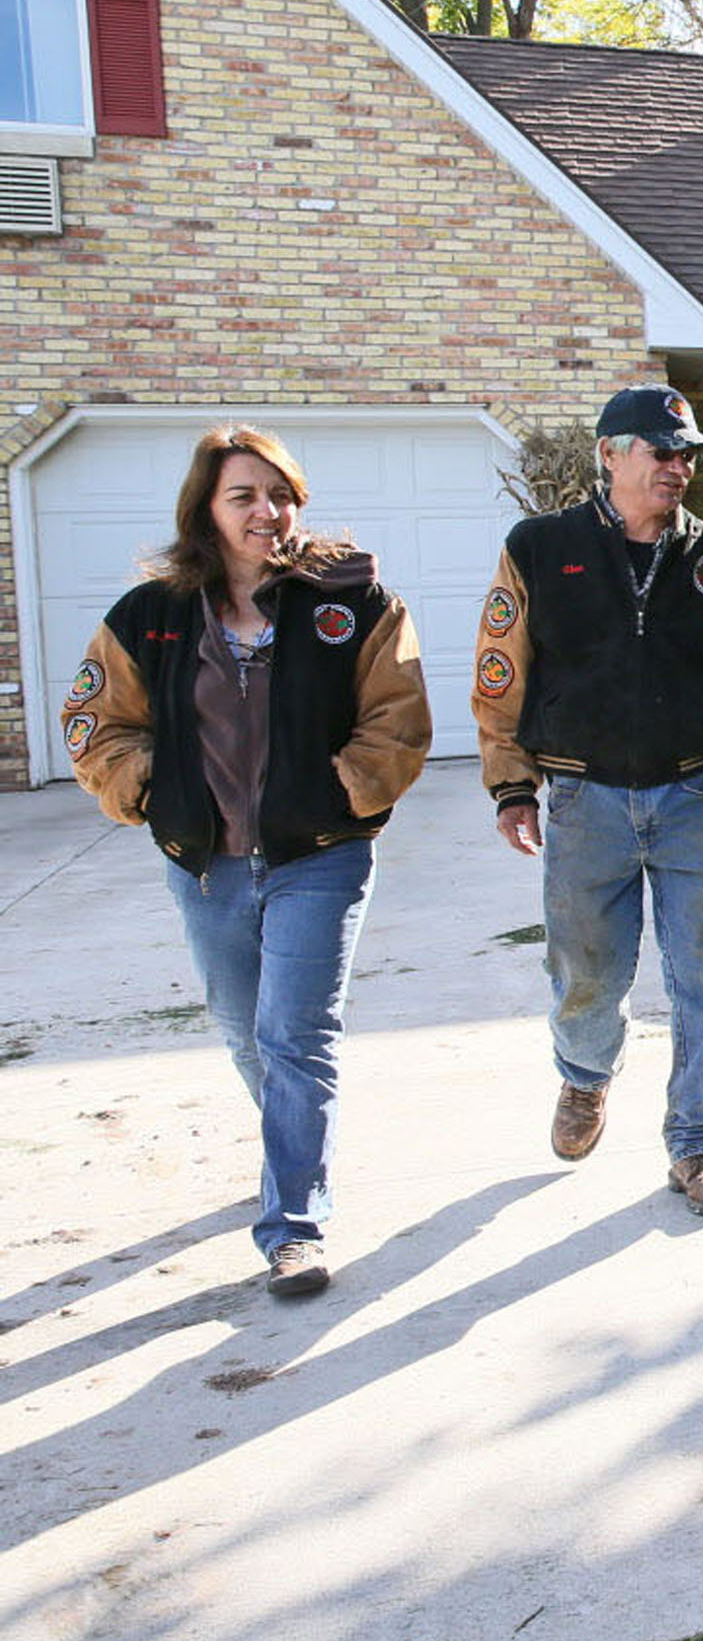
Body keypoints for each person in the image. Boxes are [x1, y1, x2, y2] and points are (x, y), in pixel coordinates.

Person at [62, 426, 430, 1297]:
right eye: (244, 497)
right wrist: (152, 789)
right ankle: (292, 1157)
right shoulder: (147, 616)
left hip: (321, 855)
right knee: (244, 1032)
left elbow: (398, 714)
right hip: (208, 865)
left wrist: (346, 791)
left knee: (296, 1035)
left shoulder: (354, 600)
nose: (267, 512)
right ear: (207, 511)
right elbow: (94, 723)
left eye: (280, 494)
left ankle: (294, 1227)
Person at [473, 385, 703, 1216]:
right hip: (585, 801)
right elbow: (499, 678)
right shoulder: (540, 550)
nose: (678, 465)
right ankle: (584, 1077)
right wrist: (512, 782)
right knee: (587, 975)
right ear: (610, 453)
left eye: (687, 452)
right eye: (661, 450)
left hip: (693, 795)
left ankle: (699, 1142)